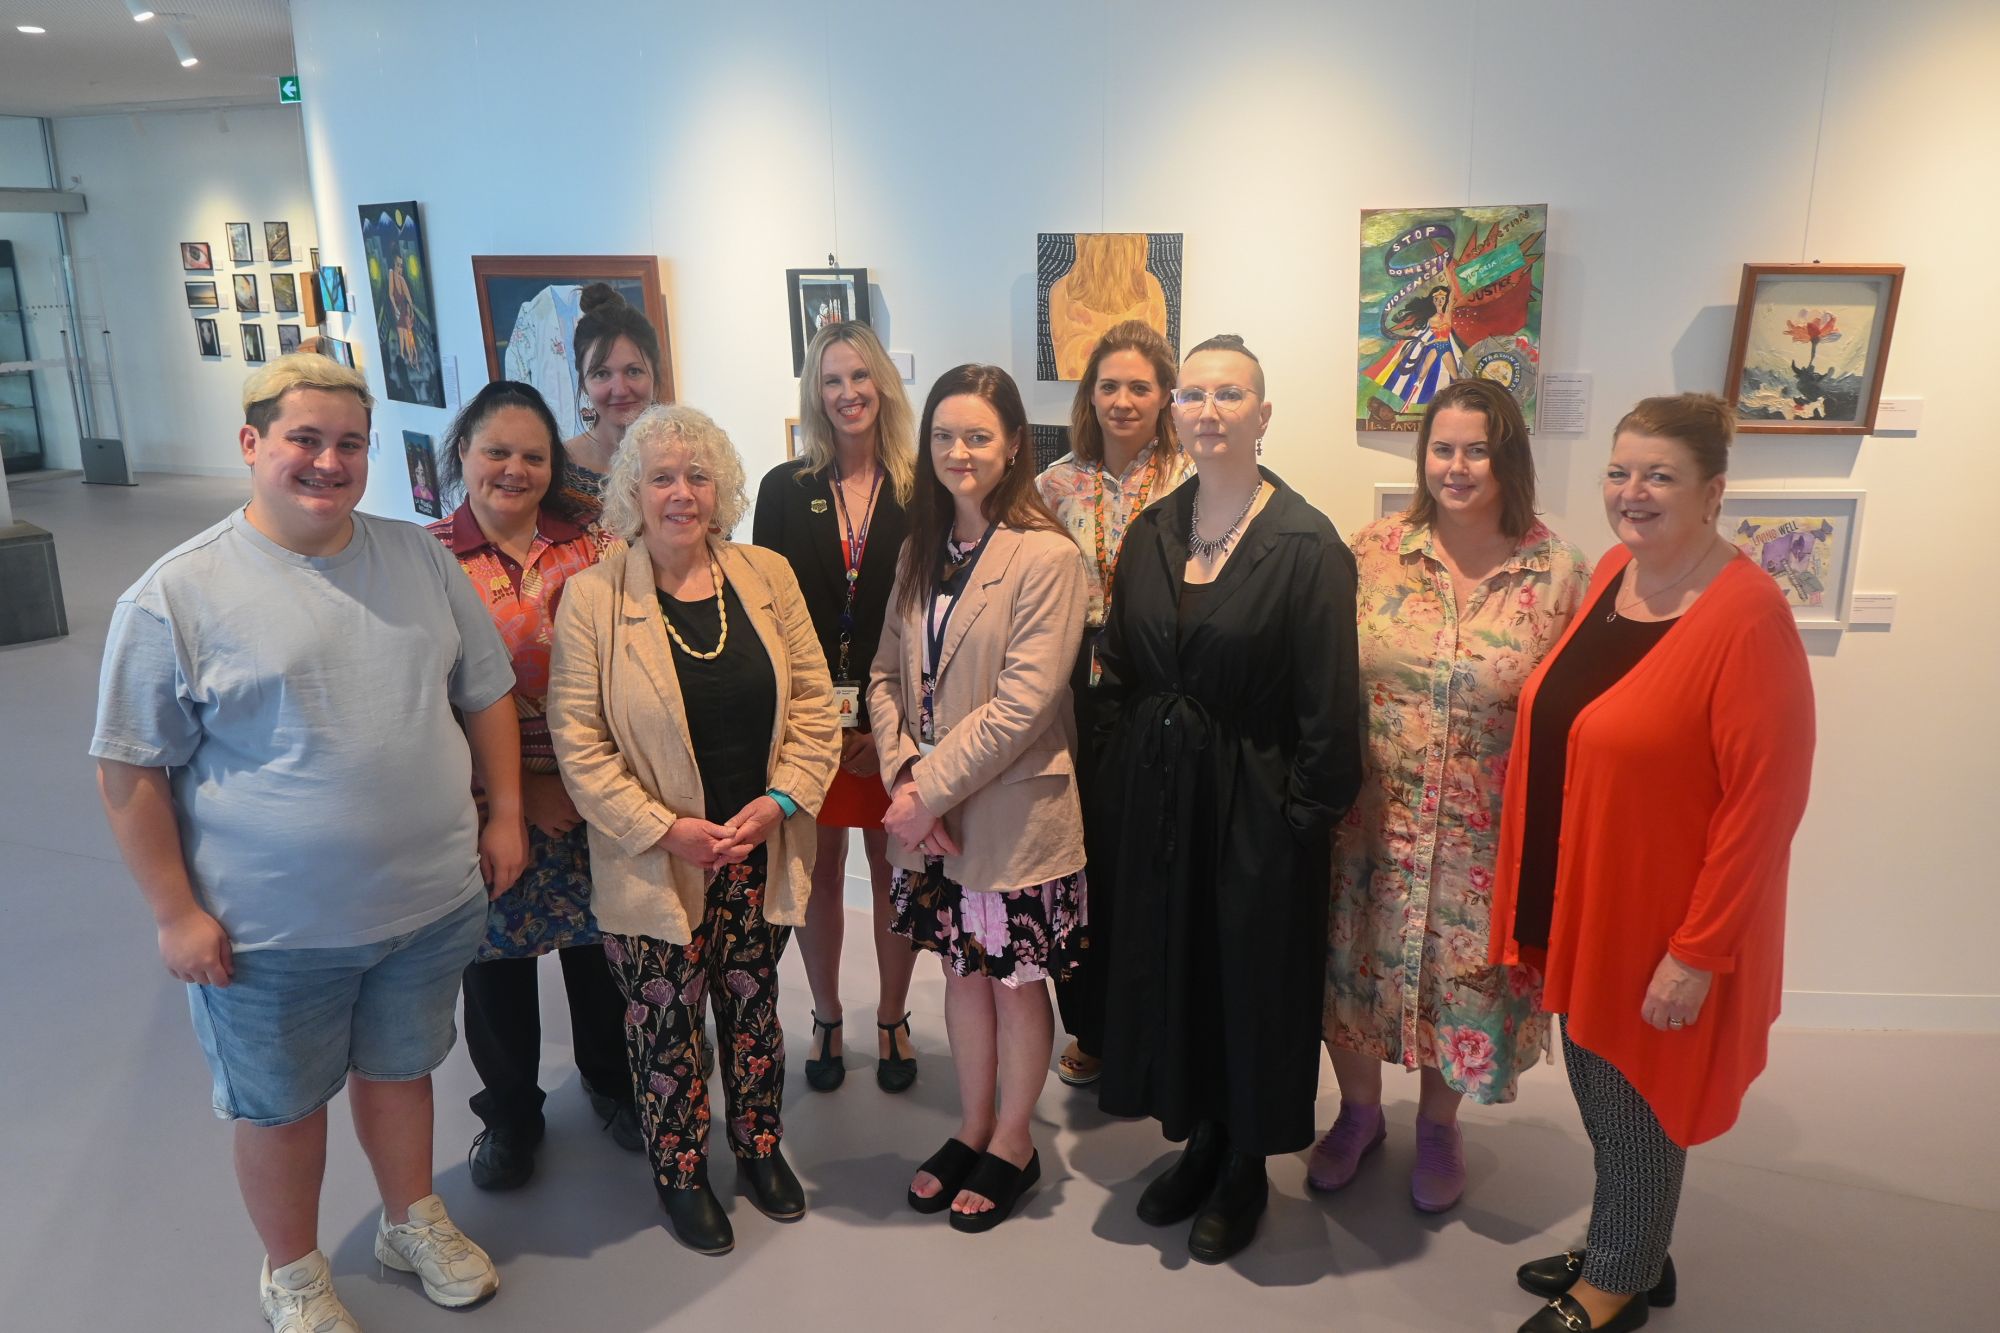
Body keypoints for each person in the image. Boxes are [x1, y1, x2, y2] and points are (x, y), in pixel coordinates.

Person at [91, 354, 521, 1332]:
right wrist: (175, 912)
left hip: (425, 904)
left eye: (349, 444)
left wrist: (499, 815)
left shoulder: (417, 558)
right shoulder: (176, 597)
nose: (328, 462)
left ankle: (409, 1221)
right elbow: (128, 770)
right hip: (270, 933)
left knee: (401, 1071)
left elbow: (484, 689)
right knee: (281, 1111)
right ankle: (291, 1270)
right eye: (304, 439)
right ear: (251, 444)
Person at [1489, 394, 1814, 1333]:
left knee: (1636, 1094)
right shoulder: (1619, 573)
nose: (1632, 493)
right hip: (1591, 896)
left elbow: (1767, 804)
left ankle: (1619, 1282)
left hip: (1663, 920)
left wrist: (1698, 951)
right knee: (1599, 1078)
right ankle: (1632, 1243)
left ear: (1713, 492)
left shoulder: (1747, 617)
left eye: (1659, 475)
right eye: (1620, 471)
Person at [1093, 334, 1362, 1264]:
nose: (1209, 411)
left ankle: (1246, 1158)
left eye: (1230, 394)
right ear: (1176, 410)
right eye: (1195, 394)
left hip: (1256, 809)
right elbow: (1121, 671)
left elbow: (1332, 713)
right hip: (1163, 804)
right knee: (1182, 971)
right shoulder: (1155, 528)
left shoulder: (1305, 543)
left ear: (1263, 413)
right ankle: (1201, 1134)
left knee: (1251, 984)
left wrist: (1294, 826)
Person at [548, 404, 838, 1256]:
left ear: (723, 489)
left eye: (699, 476)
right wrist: (666, 828)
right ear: (633, 492)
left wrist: (781, 802)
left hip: (754, 844)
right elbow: (580, 742)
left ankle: (758, 1146)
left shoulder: (767, 575)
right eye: (663, 477)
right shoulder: (594, 596)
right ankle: (679, 1170)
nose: (683, 493)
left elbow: (817, 710)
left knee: (753, 1004)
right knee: (664, 1019)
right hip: (654, 859)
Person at [1315, 378, 1590, 1212]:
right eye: (1443, 448)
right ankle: (1358, 1114)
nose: (1457, 466)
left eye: (1477, 449)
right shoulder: (1371, 552)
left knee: (1460, 982)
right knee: (1352, 970)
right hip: (1370, 820)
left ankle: (1440, 1123)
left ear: (1509, 458)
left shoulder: (1557, 571)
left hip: (1484, 834)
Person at [868, 363, 1087, 1234]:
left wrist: (926, 789)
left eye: (979, 436)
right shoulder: (921, 548)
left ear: (1013, 447)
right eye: (944, 436)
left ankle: (1013, 1139)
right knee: (960, 971)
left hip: (1008, 811)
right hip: (932, 813)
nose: (959, 452)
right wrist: (900, 771)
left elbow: (1024, 706)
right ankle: (968, 1124)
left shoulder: (1048, 555)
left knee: (1014, 984)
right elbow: (883, 673)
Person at [426, 380, 639, 1190]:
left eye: (533, 456)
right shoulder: (431, 558)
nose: (514, 469)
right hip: (486, 806)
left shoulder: (600, 546)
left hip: (596, 794)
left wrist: (581, 785)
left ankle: (613, 1085)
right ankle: (511, 1113)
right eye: (496, 452)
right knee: (496, 967)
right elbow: (427, 698)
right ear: (464, 455)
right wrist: (513, 796)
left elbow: (630, 670)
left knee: (600, 952)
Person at [752, 321, 919, 1094]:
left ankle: (891, 1015)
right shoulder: (785, 488)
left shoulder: (921, 489)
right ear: (814, 395)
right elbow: (767, 617)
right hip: (813, 720)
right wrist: (820, 721)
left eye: (860, 376)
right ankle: (824, 1015)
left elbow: (927, 617)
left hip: (893, 716)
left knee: (893, 869)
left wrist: (884, 727)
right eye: (831, 381)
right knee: (818, 873)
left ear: (882, 382)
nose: (848, 393)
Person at [1034, 319, 1192, 1088]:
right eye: (1108, 385)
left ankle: (1157, 1021)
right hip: (1071, 690)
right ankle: (1092, 1025)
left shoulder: (1195, 480)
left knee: (1151, 857)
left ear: (1165, 397)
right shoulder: (1052, 484)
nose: (1122, 400)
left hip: (1159, 687)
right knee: (1079, 857)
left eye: (1139, 386)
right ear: (1087, 396)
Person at [557, 283, 666, 517]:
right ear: (583, 383)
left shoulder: (691, 456)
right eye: (601, 374)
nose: (620, 389)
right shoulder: (557, 470)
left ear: (655, 375)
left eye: (634, 371)